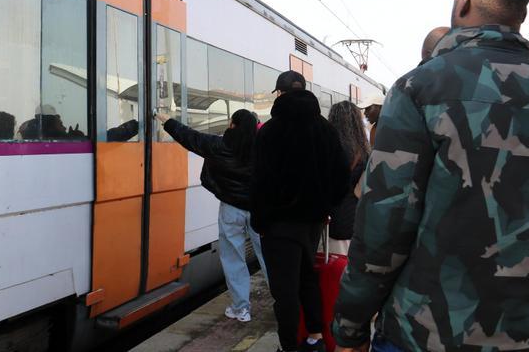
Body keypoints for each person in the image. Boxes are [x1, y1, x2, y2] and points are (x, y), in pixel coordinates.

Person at [332, 0, 529, 352]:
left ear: (462, 1)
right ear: (522, 13)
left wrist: (350, 325)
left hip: (422, 336)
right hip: (527, 337)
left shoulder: (420, 90)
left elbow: (384, 225)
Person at [251, 70, 350, 352]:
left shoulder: (271, 131)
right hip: (312, 221)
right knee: (307, 277)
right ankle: (315, 336)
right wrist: (325, 205)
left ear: (280, 93)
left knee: (284, 291)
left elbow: (258, 180)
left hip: (279, 225)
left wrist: (261, 219)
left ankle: (288, 345)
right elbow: (341, 175)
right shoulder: (325, 129)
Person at [157, 109, 267, 323]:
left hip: (230, 209)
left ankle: (240, 309)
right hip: (259, 210)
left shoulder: (219, 145)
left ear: (233, 125)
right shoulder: (264, 148)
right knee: (269, 257)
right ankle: (283, 302)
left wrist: (167, 121)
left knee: (233, 258)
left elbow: (189, 137)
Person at [325, 101, 370, 256]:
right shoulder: (364, 152)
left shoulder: (326, 148)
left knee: (330, 267)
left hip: (329, 218)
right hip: (355, 218)